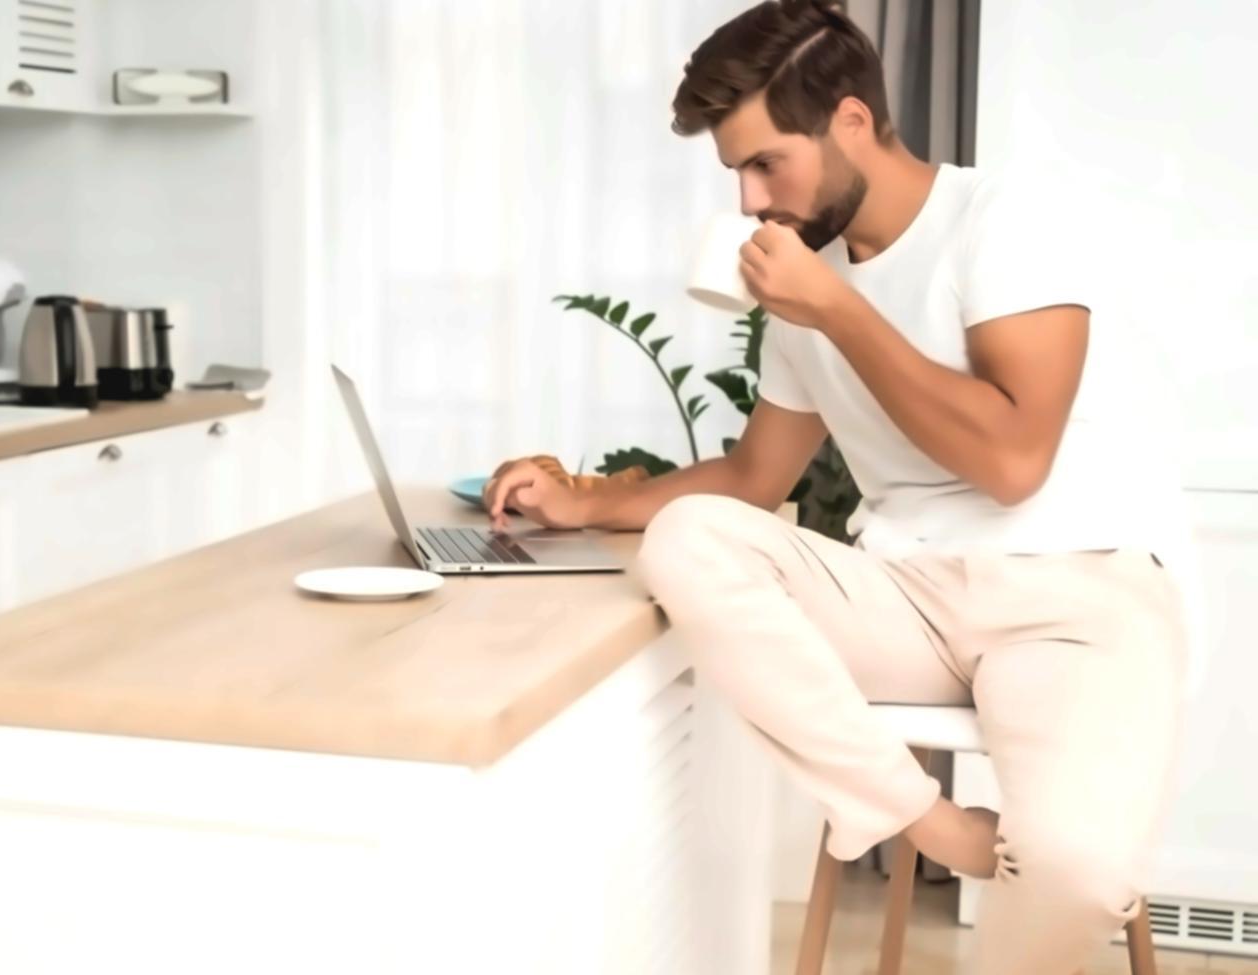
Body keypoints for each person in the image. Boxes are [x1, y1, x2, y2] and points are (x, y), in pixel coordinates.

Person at [483, 1, 1190, 971]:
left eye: (767, 161)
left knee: (1073, 870)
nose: (747, 199)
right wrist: (581, 500)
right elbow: (751, 476)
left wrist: (840, 312)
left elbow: (1015, 463)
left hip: (1071, 591)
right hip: (903, 594)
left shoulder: (1006, 221)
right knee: (693, 534)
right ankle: (918, 820)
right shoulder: (810, 291)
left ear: (851, 121)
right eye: (735, 169)